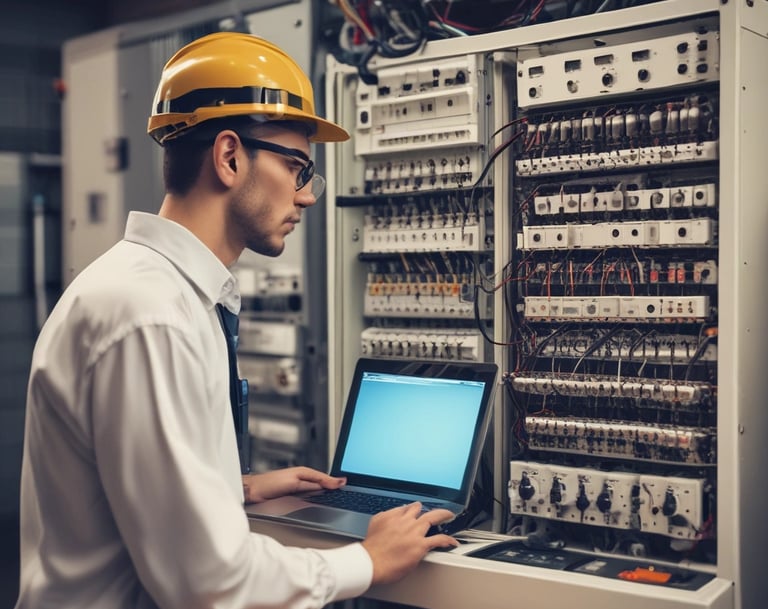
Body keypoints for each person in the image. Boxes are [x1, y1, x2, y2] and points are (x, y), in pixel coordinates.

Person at [15, 32, 457, 609]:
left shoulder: (153, 291)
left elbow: (120, 488)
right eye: (297, 166)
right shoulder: (150, 315)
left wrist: (233, 488)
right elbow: (209, 583)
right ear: (229, 157)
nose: (308, 197)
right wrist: (366, 561)